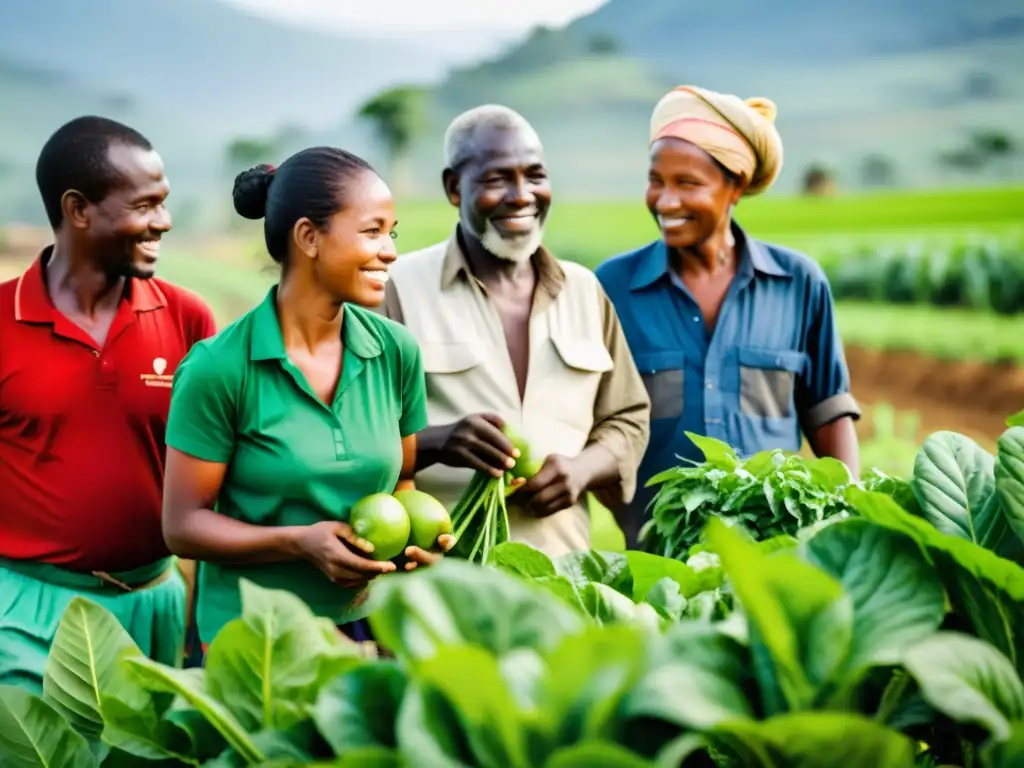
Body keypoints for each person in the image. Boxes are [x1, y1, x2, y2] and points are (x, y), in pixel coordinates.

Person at [161, 147, 451, 651]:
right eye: (372, 231)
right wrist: (297, 543)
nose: (391, 251)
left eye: (393, 232)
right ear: (309, 238)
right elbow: (183, 527)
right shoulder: (219, 368)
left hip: (369, 632)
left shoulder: (395, 352)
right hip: (253, 642)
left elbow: (402, 482)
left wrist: (412, 545)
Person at [0, 116, 217, 691]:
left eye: (163, 203)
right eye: (145, 206)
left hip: (156, 605)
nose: (163, 223)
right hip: (24, 613)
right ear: (78, 209)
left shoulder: (188, 318)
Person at [595, 85, 862, 546]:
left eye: (687, 183)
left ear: (735, 185)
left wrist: (847, 514)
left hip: (778, 551)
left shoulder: (799, 283)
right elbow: (588, 424)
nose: (665, 201)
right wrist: (637, 523)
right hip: (661, 557)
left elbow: (828, 413)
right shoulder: (612, 288)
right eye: (656, 179)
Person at [380, 105, 651, 559]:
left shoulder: (584, 291)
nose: (522, 194)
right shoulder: (397, 290)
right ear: (453, 187)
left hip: (564, 581)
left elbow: (627, 419)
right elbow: (350, 438)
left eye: (535, 175)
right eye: (496, 179)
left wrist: (581, 470)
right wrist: (435, 442)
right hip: (438, 587)